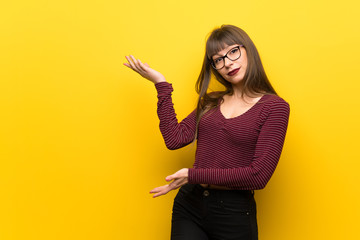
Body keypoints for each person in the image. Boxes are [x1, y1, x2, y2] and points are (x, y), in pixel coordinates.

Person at [124, 24, 290, 240]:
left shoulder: (274, 107)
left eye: (233, 51)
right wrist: (161, 84)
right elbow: (174, 139)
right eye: (218, 59)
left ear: (248, 50)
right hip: (189, 206)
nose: (228, 63)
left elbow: (258, 176)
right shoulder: (211, 102)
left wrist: (192, 175)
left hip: (233, 212)